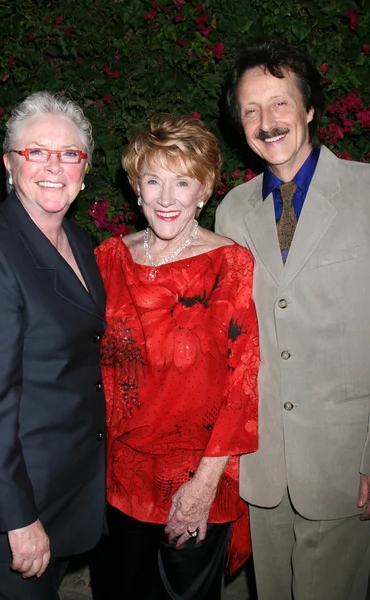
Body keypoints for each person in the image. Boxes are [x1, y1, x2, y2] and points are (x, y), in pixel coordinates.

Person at [216, 38, 370, 600]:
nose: (266, 121)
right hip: (263, 465)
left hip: (344, 462)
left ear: (309, 108)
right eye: (251, 109)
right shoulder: (232, 209)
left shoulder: (366, 192)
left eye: (280, 103)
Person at [94, 114, 259, 600]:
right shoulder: (107, 258)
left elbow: (243, 382)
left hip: (193, 480)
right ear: (136, 188)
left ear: (203, 189)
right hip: (116, 480)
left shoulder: (230, 264)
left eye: (182, 181)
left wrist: (204, 486)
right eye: (153, 180)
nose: (167, 198)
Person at [0, 91, 107, 600]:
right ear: (9, 164)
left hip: (63, 493)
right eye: (36, 152)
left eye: (69, 154)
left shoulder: (77, 240)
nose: (54, 166)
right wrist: (18, 518)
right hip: (11, 514)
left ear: (84, 169)